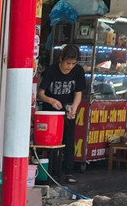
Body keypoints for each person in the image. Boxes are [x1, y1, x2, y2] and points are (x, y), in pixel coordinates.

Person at [37, 44, 88, 184]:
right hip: (51, 112)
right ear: (61, 59)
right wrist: (51, 100)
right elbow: (40, 93)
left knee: (69, 140)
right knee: (52, 142)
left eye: (73, 63)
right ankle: (51, 171)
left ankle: (69, 172)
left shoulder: (78, 71)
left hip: (68, 110)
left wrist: (74, 108)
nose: (70, 66)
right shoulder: (51, 71)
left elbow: (78, 93)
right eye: (68, 63)